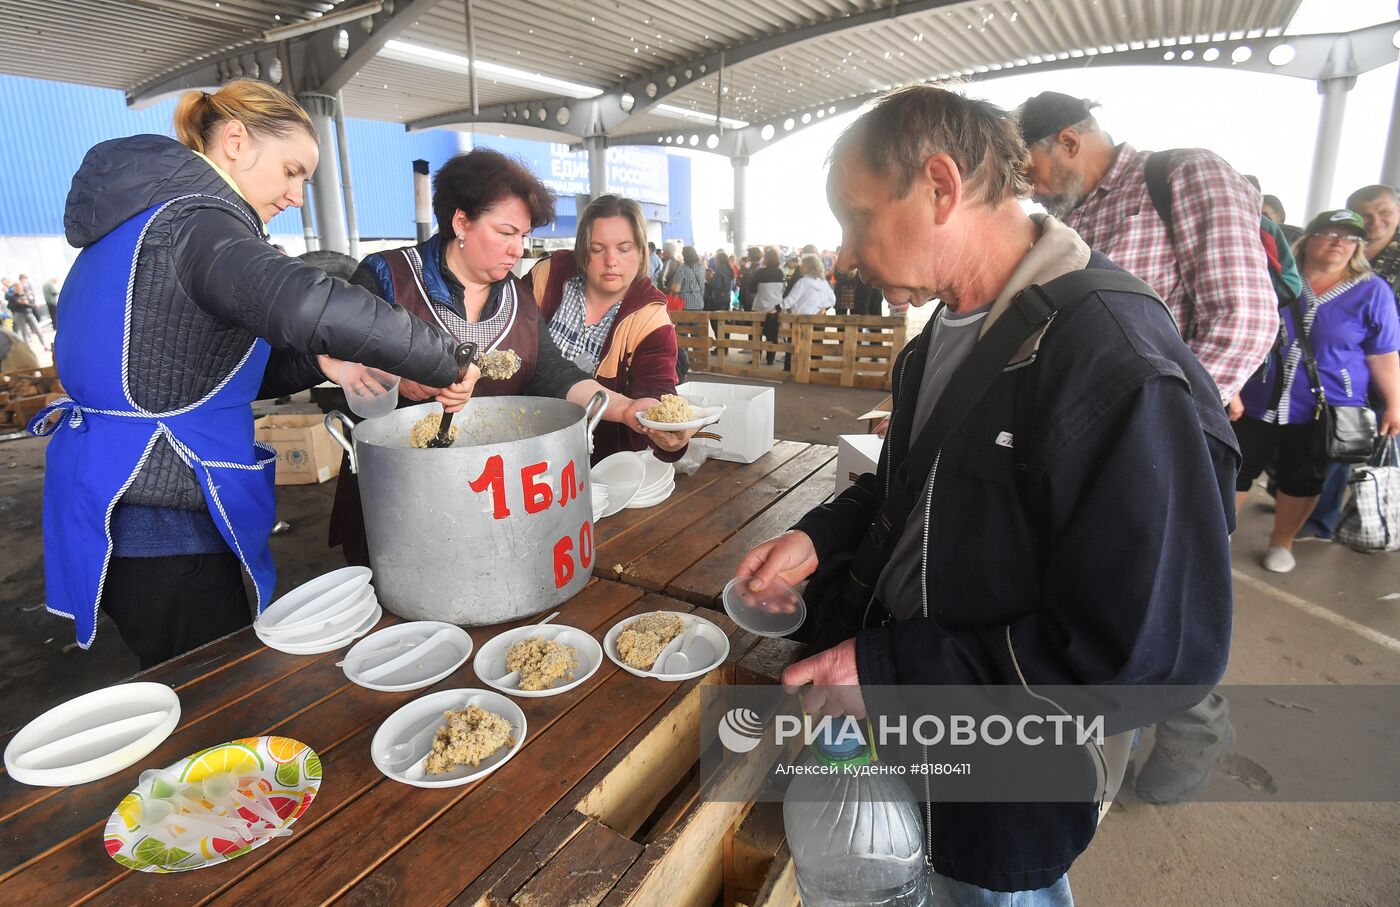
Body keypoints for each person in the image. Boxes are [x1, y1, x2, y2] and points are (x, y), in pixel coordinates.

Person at [736, 85, 1235, 903]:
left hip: (1003, 778)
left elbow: (1147, 653)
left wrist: (890, 671)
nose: (844, 256)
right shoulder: (951, 327)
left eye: (857, 218)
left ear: (940, 186)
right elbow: (912, 487)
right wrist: (822, 538)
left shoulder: (1110, 362)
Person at [32, 79, 469, 667]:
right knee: (214, 692)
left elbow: (199, 379)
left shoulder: (142, 218)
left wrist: (319, 360)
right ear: (235, 140)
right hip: (159, 518)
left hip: (114, 496)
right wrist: (443, 359)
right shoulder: (196, 220)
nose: (295, 195)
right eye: (291, 171)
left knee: (191, 676)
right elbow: (305, 301)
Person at [1019, 90, 1277, 807]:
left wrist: (1164, 422)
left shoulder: (1185, 174)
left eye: (1029, 164)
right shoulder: (1075, 216)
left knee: (1164, 591)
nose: (1029, 184)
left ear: (1067, 140)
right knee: (1108, 589)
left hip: (1168, 441)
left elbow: (1245, 315)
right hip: (1089, 442)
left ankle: (1195, 726)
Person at [332, 150, 666, 566]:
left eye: (523, 236)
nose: (517, 250)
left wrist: (627, 408)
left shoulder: (518, 297)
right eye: (506, 232)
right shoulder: (388, 277)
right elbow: (336, 363)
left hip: (493, 496)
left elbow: (553, 374)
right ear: (461, 223)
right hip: (401, 499)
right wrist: (396, 380)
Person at [1234, 209, 1400, 569]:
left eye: (1350, 238)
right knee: (1235, 467)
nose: (1340, 243)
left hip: (1325, 407)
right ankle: (1216, 534)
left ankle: (1282, 543)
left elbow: (1383, 354)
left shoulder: (1373, 292)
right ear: (1308, 239)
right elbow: (1241, 328)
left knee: (1303, 476)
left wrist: (1394, 404)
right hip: (1256, 397)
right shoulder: (1274, 278)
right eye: (1330, 233)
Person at [529, 193, 695, 462]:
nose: (611, 260)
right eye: (598, 249)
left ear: (642, 251)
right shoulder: (547, 277)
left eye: (624, 248)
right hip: (527, 446)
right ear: (582, 251)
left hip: (602, 465)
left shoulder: (650, 316)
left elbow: (657, 387)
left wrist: (667, 433)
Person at [1348, 184, 1400, 304]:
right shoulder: (1336, 248)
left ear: (1398, 211)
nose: (1375, 221)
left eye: (1384, 212)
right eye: (1364, 215)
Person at [751, 248, 787, 365]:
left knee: (757, 333)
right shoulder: (780, 272)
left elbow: (752, 288)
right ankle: (770, 359)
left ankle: (756, 357)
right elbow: (783, 290)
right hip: (775, 307)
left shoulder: (760, 273)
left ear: (766, 259)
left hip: (760, 306)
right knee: (772, 333)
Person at [6, 275, 45, 350]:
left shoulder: (26, 294)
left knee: (38, 330)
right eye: (17, 287)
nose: (19, 288)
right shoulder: (12, 296)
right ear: (14, 288)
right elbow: (10, 307)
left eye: (20, 287)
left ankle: (45, 345)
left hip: (29, 314)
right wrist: (18, 303)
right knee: (25, 333)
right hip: (19, 315)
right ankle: (28, 349)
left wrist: (26, 303)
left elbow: (32, 305)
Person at [669, 245, 707, 311]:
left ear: (684, 256)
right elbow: (702, 286)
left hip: (685, 304)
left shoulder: (682, 269)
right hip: (699, 303)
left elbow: (676, 289)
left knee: (685, 321)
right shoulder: (701, 268)